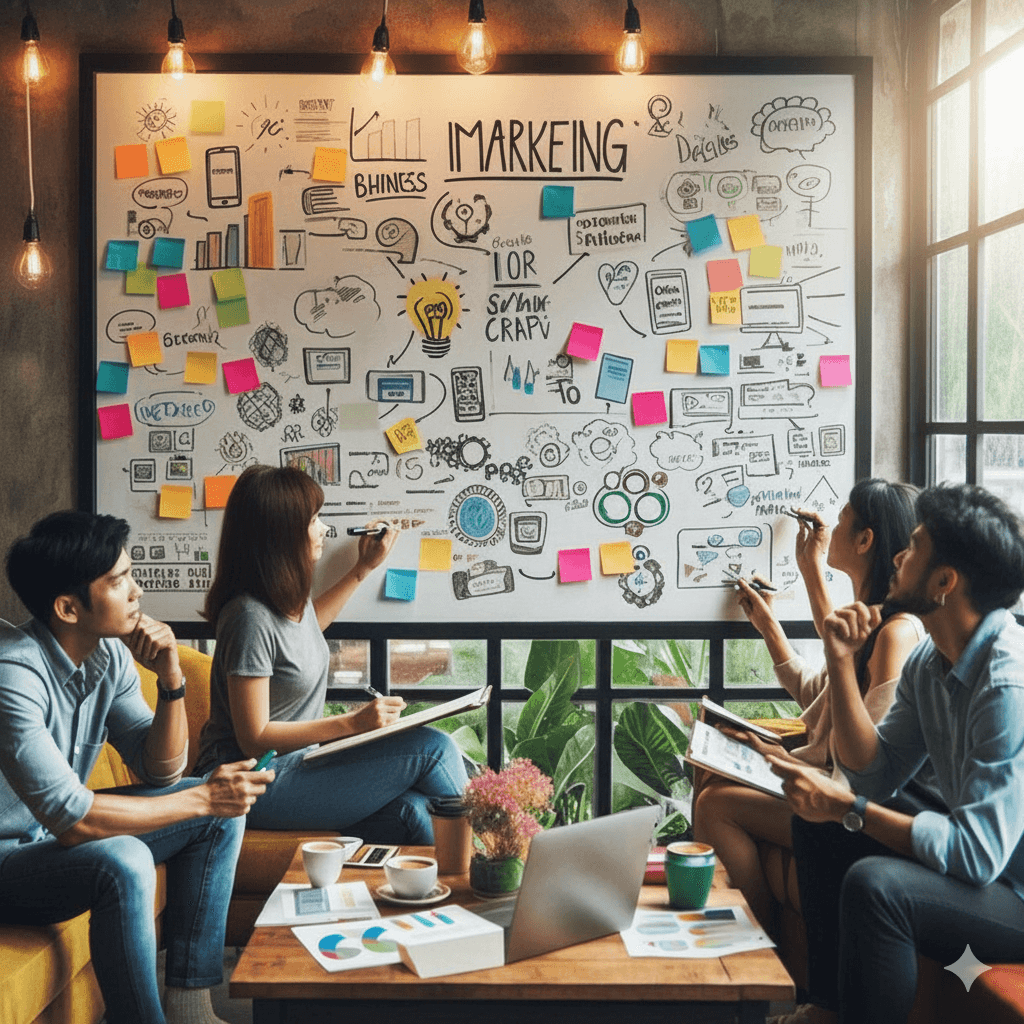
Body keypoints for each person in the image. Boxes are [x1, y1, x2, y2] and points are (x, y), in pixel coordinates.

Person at [763, 483, 1024, 1024]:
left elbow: (977, 855)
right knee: (817, 821)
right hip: (985, 868)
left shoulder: (1006, 685)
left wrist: (847, 809)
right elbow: (872, 774)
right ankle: (825, 1008)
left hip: (1012, 891)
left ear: (945, 582)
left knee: (878, 886)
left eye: (915, 547)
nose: (899, 557)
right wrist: (839, 660)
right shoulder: (932, 660)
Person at [0, 511, 271, 1024]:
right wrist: (206, 796)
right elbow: (73, 818)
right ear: (68, 607)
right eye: (118, 580)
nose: (137, 591)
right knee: (124, 858)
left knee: (218, 814)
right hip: (9, 860)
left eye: (131, 574)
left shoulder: (108, 658)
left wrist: (170, 679)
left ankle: (190, 1004)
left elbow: (160, 772)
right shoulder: (13, 675)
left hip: (50, 846)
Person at [693, 478, 926, 932]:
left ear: (865, 540)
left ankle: (756, 955)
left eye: (841, 521)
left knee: (715, 805)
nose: (831, 528)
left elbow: (868, 768)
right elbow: (819, 695)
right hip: (830, 780)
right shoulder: (868, 620)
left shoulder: (896, 634)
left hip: (850, 801)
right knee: (711, 776)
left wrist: (780, 759)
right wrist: (770, 622)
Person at [193, 464, 469, 844]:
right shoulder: (247, 616)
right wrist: (353, 724)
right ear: (283, 533)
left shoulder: (284, 602)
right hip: (251, 780)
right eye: (314, 519)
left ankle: (460, 891)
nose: (324, 528)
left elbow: (306, 632)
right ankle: (498, 858)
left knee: (410, 812)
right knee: (433, 749)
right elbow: (255, 736)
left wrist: (362, 569)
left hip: (293, 768)